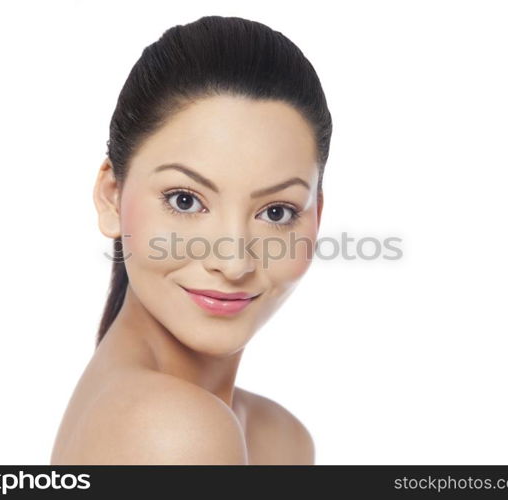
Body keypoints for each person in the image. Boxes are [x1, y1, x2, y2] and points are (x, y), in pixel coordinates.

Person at [50, 15, 332, 465]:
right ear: (111, 197)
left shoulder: (280, 435)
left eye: (276, 212)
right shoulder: (175, 431)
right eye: (185, 200)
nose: (234, 261)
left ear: (316, 219)